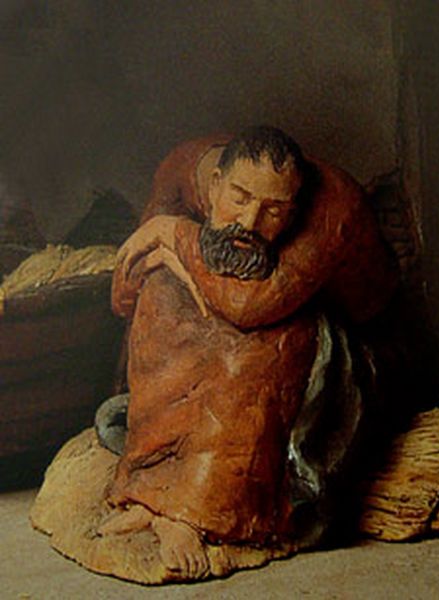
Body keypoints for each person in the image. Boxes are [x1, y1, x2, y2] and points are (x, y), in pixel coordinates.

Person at [102, 126, 398, 578]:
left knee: (261, 347)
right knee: (161, 296)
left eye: (273, 210)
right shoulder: (182, 171)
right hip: (239, 298)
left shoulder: (332, 205)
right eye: (239, 198)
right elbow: (125, 289)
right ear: (214, 184)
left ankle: (196, 515)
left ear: (293, 209)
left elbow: (251, 306)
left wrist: (175, 235)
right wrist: (164, 264)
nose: (250, 222)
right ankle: (147, 495)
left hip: (342, 338)